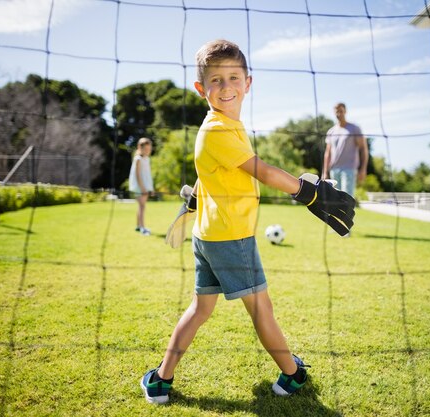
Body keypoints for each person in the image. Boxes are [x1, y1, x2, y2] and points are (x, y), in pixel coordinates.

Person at [140, 39, 355, 405]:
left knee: (200, 309)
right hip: (231, 240)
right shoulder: (219, 129)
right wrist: (308, 191)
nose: (226, 88)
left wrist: (199, 193)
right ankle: (293, 373)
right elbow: (263, 171)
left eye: (233, 77)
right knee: (262, 310)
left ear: (248, 83)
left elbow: (219, 175)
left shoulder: (222, 126)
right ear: (200, 89)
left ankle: (161, 379)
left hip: (209, 236)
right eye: (216, 80)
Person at [322, 103, 368, 198]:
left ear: (345, 112)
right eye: (337, 112)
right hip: (334, 169)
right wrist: (325, 172)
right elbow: (328, 153)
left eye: (341, 111)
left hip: (349, 169)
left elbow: (363, 149)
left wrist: (363, 169)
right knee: (335, 199)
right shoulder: (331, 131)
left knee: (347, 198)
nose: (339, 114)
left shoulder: (354, 129)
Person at [128, 137, 154, 236]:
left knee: (141, 206)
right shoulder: (138, 159)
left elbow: (147, 174)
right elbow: (138, 174)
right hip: (139, 187)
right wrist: (142, 187)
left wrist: (150, 188)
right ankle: (143, 228)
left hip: (146, 186)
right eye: (146, 149)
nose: (148, 151)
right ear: (140, 147)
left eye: (149, 149)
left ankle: (138, 226)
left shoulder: (147, 159)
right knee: (142, 206)